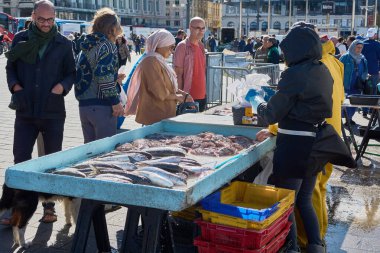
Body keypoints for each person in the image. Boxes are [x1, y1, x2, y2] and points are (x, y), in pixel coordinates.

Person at [252, 24, 333, 253]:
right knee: (304, 200)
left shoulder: (295, 73)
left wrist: (257, 100)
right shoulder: (322, 69)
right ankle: (316, 245)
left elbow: (271, 114)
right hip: (316, 144)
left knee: (285, 204)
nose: (285, 56)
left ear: (296, 50)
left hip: (295, 147)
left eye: (287, 52)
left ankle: (291, 247)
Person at [5, 0, 75, 224]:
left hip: (52, 111)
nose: (46, 24)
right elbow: (11, 66)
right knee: (21, 159)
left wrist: (62, 87)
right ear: (33, 17)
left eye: (50, 19)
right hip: (25, 111)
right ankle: (18, 209)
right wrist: (15, 86)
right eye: (41, 19)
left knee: (51, 161)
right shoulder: (21, 39)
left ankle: (49, 207)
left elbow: (71, 73)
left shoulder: (63, 43)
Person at [74, 7, 125, 144]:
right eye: (118, 24)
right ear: (112, 29)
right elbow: (103, 77)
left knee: (89, 152)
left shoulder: (86, 45)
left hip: (84, 106)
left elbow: (89, 72)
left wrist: (115, 78)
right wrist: (116, 103)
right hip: (102, 106)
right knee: (104, 154)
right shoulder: (107, 46)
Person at [124, 29, 193, 125]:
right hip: (154, 117)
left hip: (164, 115)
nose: (172, 51)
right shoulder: (151, 62)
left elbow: (169, 87)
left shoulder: (158, 60)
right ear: (161, 46)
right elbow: (160, 93)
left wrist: (184, 95)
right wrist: (179, 97)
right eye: (171, 47)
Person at [173, 17, 207, 112]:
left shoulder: (201, 46)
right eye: (197, 28)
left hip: (202, 94)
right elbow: (178, 74)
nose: (201, 31)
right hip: (188, 96)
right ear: (190, 28)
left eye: (203, 28)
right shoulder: (182, 46)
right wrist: (181, 97)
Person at [340, 40, 368, 125]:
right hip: (347, 84)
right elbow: (339, 69)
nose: (359, 49)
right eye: (358, 47)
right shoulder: (345, 57)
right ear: (353, 47)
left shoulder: (362, 58)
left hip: (358, 84)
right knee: (345, 102)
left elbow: (366, 70)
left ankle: (349, 118)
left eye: (361, 48)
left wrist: (364, 77)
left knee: (355, 102)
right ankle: (343, 119)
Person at [362, 28, 380, 99]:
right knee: (373, 90)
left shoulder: (362, 43)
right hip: (374, 71)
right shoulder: (377, 45)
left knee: (363, 89)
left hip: (362, 70)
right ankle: (371, 108)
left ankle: (363, 107)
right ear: (375, 35)